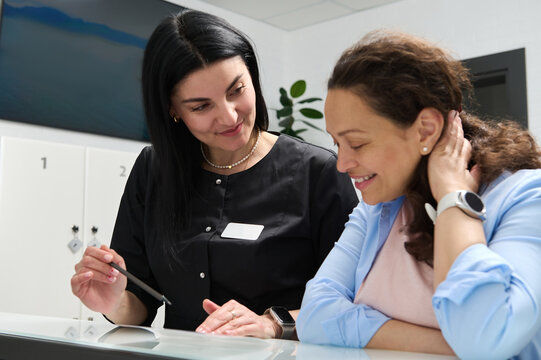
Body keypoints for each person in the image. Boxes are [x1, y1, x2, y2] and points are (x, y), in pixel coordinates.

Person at [70, 9, 358, 339]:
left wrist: (273, 324)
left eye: (236, 90)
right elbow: (141, 304)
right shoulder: (153, 170)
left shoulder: (317, 172)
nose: (229, 116)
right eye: (201, 106)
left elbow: (351, 299)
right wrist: (115, 300)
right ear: (173, 110)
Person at [297, 30, 541, 359]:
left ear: (425, 129)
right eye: (337, 143)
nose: (342, 164)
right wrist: (451, 348)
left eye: (356, 143)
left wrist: (454, 199)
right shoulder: (376, 210)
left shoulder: (527, 196)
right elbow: (315, 316)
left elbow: (486, 336)